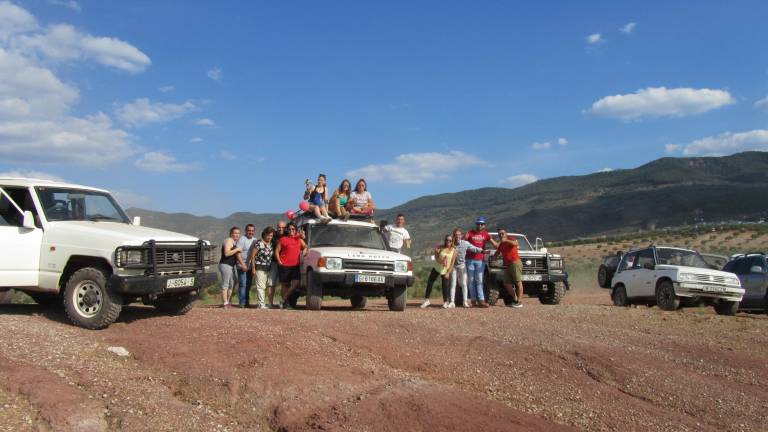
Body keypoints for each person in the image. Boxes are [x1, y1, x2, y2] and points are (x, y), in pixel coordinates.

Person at [465, 217, 498, 308]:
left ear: (484, 225)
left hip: (480, 260)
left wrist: (502, 247)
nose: (480, 225)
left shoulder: (486, 234)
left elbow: (494, 244)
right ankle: (473, 300)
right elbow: (462, 242)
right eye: (478, 224)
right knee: (471, 281)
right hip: (470, 259)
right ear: (476, 224)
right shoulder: (470, 233)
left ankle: (481, 300)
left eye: (482, 224)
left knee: (479, 280)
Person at [275, 223, 307, 309]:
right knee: (285, 285)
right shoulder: (282, 239)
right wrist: (279, 261)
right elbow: (277, 251)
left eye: (293, 229)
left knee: (296, 283)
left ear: (295, 230)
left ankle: (283, 300)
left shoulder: (298, 239)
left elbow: (305, 247)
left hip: (295, 265)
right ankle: (286, 303)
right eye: (289, 229)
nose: (291, 231)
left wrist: (302, 256)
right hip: (284, 265)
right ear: (287, 230)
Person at [420, 235, 457, 309]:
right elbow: (436, 258)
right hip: (437, 268)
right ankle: (426, 300)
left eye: (450, 240)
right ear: (445, 240)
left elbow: (452, 263)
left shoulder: (454, 250)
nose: (448, 242)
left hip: (445, 270)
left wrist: (448, 273)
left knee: (445, 286)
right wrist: (439, 258)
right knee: (430, 282)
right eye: (447, 240)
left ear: (452, 241)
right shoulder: (440, 247)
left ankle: (445, 302)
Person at [451, 228, 484, 308]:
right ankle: (452, 302)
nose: (457, 236)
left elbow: (474, 248)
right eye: (455, 235)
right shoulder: (451, 244)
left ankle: (465, 302)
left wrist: (483, 251)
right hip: (453, 267)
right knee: (453, 284)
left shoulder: (465, 243)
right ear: (453, 236)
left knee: (464, 284)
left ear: (461, 235)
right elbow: (444, 247)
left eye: (459, 235)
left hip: (462, 266)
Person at [493, 229, 523, 308]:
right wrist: (494, 257)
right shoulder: (501, 244)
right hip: (507, 264)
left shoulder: (511, 239)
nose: (501, 235)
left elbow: (515, 243)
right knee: (506, 283)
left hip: (515, 262)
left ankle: (519, 301)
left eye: (502, 233)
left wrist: (506, 240)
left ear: (506, 234)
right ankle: (515, 299)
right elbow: (497, 252)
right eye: (499, 234)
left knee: (518, 282)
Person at [219, 227, 247, 309]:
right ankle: (225, 303)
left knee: (232, 283)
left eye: (238, 233)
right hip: (225, 265)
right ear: (231, 233)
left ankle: (228, 302)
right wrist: (237, 249)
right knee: (226, 284)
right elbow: (226, 253)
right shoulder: (229, 240)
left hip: (231, 266)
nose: (236, 235)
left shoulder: (234, 242)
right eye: (235, 233)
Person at [249, 226, 275, 309]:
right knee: (261, 286)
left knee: (267, 286)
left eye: (271, 235)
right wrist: (253, 268)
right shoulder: (259, 243)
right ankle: (261, 304)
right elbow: (252, 256)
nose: (270, 237)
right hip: (259, 267)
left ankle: (265, 303)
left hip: (268, 268)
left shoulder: (271, 244)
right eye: (268, 235)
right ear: (264, 234)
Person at [266, 221, 287, 308]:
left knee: (284, 283)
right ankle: (270, 303)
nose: (280, 229)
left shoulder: (288, 235)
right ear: (277, 227)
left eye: (282, 227)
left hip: (285, 263)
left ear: (285, 228)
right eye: (279, 227)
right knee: (271, 283)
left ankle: (282, 302)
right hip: (274, 262)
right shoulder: (272, 235)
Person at [236, 224, 257, 308]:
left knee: (248, 285)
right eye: (249, 230)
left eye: (252, 231)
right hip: (242, 265)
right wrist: (243, 265)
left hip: (250, 266)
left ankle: (247, 302)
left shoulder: (255, 240)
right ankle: (242, 303)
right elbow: (237, 253)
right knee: (243, 284)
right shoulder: (242, 240)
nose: (250, 232)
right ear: (245, 231)